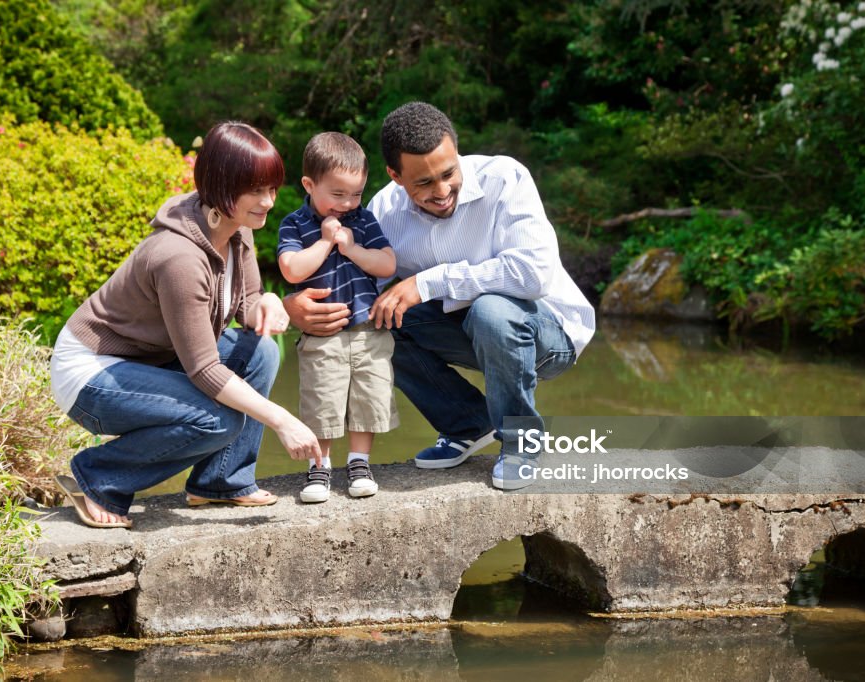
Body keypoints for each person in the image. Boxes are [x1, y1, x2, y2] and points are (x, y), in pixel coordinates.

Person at [284, 102, 595, 490]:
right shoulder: (382, 209)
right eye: (424, 183)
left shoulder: (506, 178)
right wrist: (292, 307)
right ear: (395, 176)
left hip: (549, 335)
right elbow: (361, 288)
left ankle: (521, 443)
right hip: (469, 329)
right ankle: (467, 423)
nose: (442, 190)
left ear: (457, 152)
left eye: (449, 173)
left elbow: (534, 275)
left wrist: (431, 282)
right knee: (381, 320)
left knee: (491, 311)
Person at [50, 121, 321, 528]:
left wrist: (266, 301)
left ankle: (220, 481)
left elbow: (245, 302)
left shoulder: (236, 227)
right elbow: (205, 371)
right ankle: (100, 476)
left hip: (152, 359)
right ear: (222, 186)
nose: (268, 201)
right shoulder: (179, 257)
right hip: (91, 373)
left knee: (260, 349)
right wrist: (282, 419)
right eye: (256, 190)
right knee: (217, 418)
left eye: (272, 189)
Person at [277, 132, 398, 503]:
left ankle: (359, 462)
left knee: (369, 396)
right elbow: (292, 270)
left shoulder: (363, 221)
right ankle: (320, 465)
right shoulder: (295, 223)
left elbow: (387, 263)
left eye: (356, 194)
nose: (348, 203)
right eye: (338, 194)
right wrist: (326, 242)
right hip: (322, 335)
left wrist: (352, 247)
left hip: (367, 330)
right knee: (322, 399)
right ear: (309, 185)